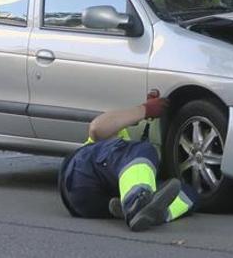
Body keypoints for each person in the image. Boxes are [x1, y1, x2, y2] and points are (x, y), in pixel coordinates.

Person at [58, 94, 198, 232]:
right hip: (83, 173)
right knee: (143, 151)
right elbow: (96, 128)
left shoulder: (145, 171)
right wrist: (144, 110)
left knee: (189, 194)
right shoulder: (124, 131)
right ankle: (137, 204)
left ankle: (154, 213)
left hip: (95, 205)